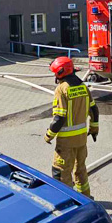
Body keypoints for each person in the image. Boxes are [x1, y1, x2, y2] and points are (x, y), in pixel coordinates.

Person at [44, 57, 99, 197]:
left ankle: (68, 201)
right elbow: (94, 110)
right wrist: (94, 129)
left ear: (60, 73)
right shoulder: (83, 86)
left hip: (66, 143)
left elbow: (59, 118)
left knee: (61, 173)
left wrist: (49, 135)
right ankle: (85, 197)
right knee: (80, 169)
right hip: (81, 140)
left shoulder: (62, 89)